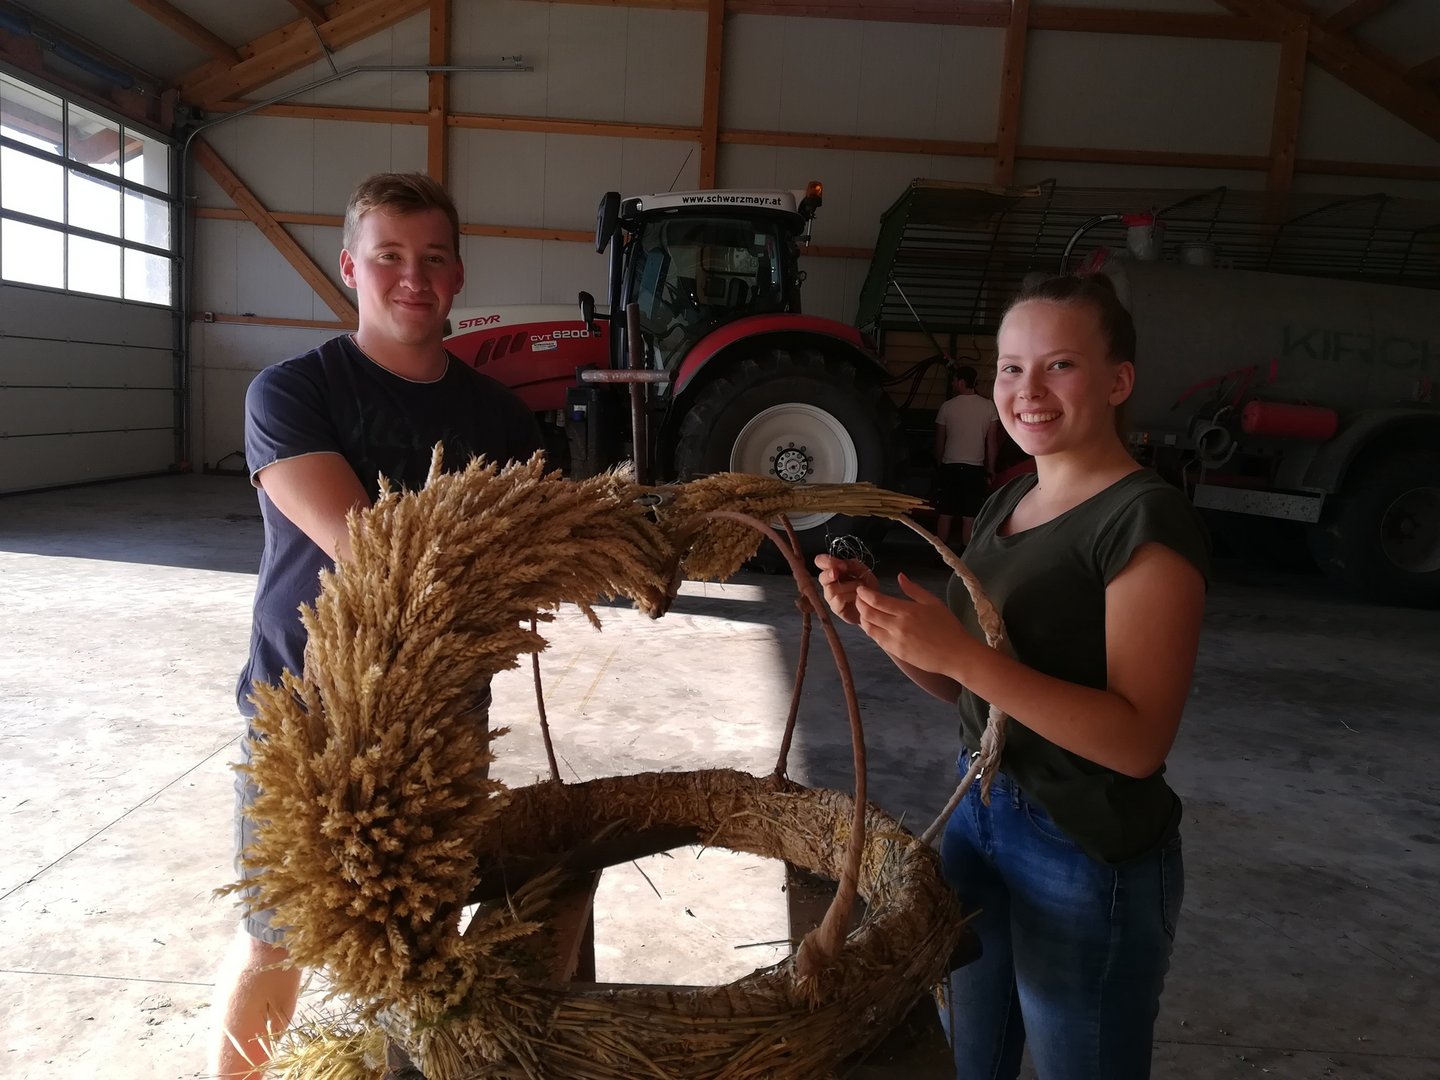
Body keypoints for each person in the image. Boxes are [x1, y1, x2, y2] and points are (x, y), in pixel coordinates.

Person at [816, 274, 1208, 1080]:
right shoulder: (1010, 503)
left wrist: (963, 655)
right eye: (1010, 367)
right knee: (970, 1058)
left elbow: (1138, 741)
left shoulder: (1142, 519)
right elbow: (971, 693)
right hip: (981, 810)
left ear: (1118, 381)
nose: (1027, 390)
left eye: (1059, 365)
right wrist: (882, 624)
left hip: (1084, 846)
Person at [210, 172, 542, 1079]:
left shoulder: (501, 418)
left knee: (421, 940)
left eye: (433, 258)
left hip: (441, 720)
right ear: (351, 268)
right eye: (389, 256)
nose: (413, 278)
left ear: (459, 274)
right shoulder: (291, 393)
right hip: (309, 714)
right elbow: (369, 551)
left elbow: (529, 562)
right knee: (278, 937)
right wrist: (491, 559)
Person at [933, 364, 1000, 547]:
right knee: (969, 516)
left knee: (945, 513)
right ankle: (966, 557)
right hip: (974, 469)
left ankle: (941, 555)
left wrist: (939, 464)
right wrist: (991, 469)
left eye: (955, 380)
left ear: (962, 382)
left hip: (950, 466)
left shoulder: (947, 407)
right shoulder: (989, 407)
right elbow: (992, 443)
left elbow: (939, 441)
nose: (953, 383)